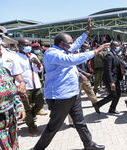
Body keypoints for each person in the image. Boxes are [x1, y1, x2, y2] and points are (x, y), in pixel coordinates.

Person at [33, 19, 108, 150]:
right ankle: (37, 148)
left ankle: (88, 144)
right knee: (53, 126)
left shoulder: (64, 49)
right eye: (69, 43)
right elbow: (72, 60)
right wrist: (96, 51)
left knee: (80, 122)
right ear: (61, 44)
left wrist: (87, 31)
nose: (72, 45)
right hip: (61, 96)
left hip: (73, 93)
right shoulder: (52, 53)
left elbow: (77, 44)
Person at [0, 25, 27, 96]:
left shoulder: (11, 55)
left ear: (2, 38)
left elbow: (16, 72)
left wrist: (22, 82)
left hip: (8, 91)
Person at [92, 41, 127, 114]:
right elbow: (107, 70)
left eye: (118, 46)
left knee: (118, 94)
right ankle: (97, 105)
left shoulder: (115, 55)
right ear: (112, 47)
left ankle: (112, 109)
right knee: (113, 95)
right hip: (110, 79)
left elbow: (122, 64)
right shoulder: (109, 55)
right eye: (116, 46)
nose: (118, 47)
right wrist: (111, 82)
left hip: (116, 78)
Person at [16, 38, 45, 135]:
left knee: (40, 103)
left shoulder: (33, 55)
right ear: (19, 46)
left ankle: (30, 117)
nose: (28, 47)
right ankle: (31, 126)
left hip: (36, 84)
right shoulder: (16, 57)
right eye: (25, 45)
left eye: (29, 45)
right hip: (25, 87)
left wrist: (37, 63)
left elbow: (40, 70)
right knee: (27, 107)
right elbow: (16, 73)